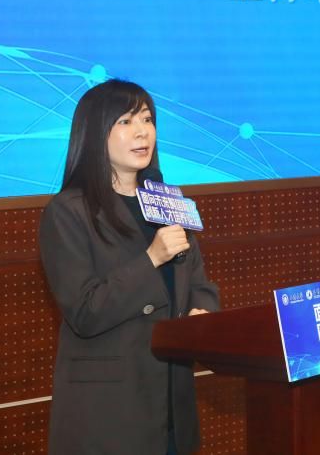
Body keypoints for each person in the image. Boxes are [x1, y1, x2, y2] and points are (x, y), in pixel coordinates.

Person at [39, 79, 220, 455]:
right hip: (112, 411)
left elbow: (199, 282)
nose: (142, 132)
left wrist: (203, 312)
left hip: (171, 402)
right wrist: (151, 259)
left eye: (147, 119)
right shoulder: (68, 212)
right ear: (95, 133)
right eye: (125, 121)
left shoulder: (167, 201)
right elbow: (85, 312)